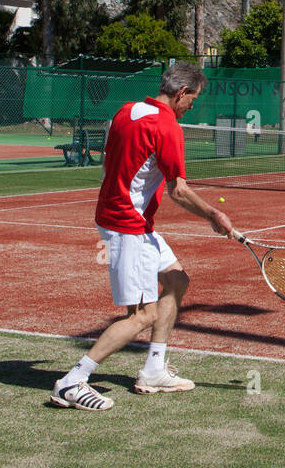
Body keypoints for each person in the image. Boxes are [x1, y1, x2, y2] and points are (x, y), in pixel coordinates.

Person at [50, 63, 238, 411]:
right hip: (126, 226)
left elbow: (108, 162)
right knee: (142, 315)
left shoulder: (126, 111)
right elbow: (177, 191)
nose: (191, 107)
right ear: (182, 93)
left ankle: (153, 369)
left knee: (177, 280)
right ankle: (72, 381)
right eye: (192, 100)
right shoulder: (167, 127)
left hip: (127, 220)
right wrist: (213, 214)